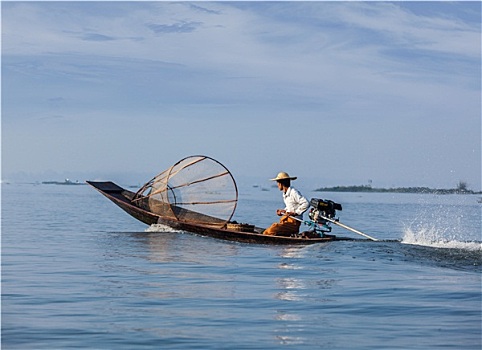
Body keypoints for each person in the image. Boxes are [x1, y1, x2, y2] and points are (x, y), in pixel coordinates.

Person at [263, 172, 309, 236]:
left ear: (282, 183)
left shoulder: (293, 192)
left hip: (293, 223)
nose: (278, 185)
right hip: (287, 221)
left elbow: (306, 203)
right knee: (268, 230)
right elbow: (291, 206)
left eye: (278, 183)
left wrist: (296, 213)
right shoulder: (285, 193)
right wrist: (284, 211)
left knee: (272, 229)